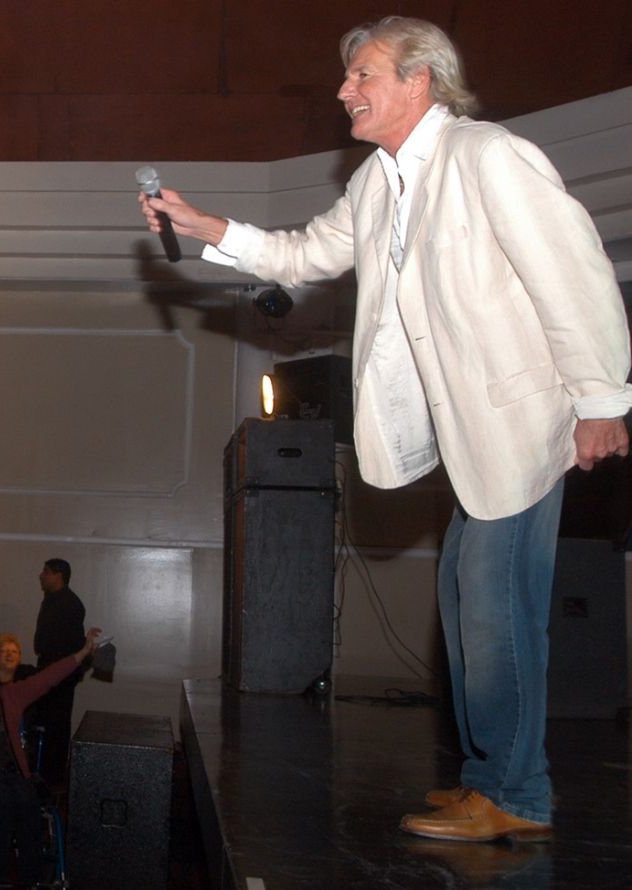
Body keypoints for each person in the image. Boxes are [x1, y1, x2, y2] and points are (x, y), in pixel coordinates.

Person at [138, 16, 631, 842]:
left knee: (497, 615)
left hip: (523, 423)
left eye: (362, 74)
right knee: (466, 607)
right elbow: (303, 255)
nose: (344, 91)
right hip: (475, 438)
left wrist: (602, 400)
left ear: (419, 80)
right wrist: (206, 227)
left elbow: (573, 272)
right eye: (348, 76)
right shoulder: (377, 183)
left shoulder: (487, 156)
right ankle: (489, 781)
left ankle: (520, 797)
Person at [0, 627, 103, 886]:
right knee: (2, 801)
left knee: (29, 802)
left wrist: (83, 652)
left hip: (12, 770)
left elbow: (48, 677)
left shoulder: (10, 696)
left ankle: (33, 878)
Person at [32, 558, 86, 785]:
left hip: (61, 674)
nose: (41, 575)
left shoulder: (69, 604)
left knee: (57, 724)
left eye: (46, 572)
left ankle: (52, 776)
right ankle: (43, 771)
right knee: (47, 721)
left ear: (58, 575)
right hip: (51, 670)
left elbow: (70, 644)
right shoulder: (52, 599)